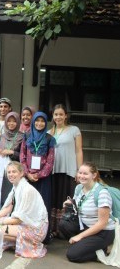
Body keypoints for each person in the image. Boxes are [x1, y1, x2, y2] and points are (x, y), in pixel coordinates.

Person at [0, 161, 48, 258]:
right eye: (9, 172)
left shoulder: (26, 190)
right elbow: (9, 206)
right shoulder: (16, 187)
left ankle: (28, 245)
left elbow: (18, 219)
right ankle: (17, 244)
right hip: (26, 224)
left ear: (21, 173)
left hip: (36, 229)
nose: (11, 174)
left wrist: (0, 223)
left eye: (14, 172)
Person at [59, 162, 115, 263]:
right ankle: (83, 245)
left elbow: (102, 223)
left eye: (85, 174)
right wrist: (70, 202)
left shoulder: (102, 193)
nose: (81, 176)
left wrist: (80, 236)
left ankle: (101, 250)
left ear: (93, 175)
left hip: (102, 232)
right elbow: (77, 202)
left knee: (72, 255)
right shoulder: (79, 188)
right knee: (63, 224)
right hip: (85, 225)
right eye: (80, 173)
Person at [48, 104, 83, 237]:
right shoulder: (49, 133)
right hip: (53, 171)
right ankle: (53, 229)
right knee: (54, 200)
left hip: (69, 170)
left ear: (66, 115)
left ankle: (66, 230)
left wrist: (79, 171)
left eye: (61, 114)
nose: (58, 117)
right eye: (56, 114)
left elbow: (79, 150)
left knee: (67, 200)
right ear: (53, 116)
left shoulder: (74, 130)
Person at [20, 111, 55, 240]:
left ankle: (42, 236)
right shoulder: (27, 135)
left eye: (42, 121)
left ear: (45, 123)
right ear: (33, 122)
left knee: (42, 206)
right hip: (28, 178)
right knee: (27, 205)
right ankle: (25, 235)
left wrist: (39, 175)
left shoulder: (49, 139)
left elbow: (50, 161)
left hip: (43, 179)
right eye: (37, 121)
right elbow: (22, 156)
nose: (39, 124)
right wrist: (27, 173)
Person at [0, 112, 24, 207]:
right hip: (3, 171)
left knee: (14, 196)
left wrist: (12, 152)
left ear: (18, 123)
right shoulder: (2, 137)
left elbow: (24, 156)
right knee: (3, 195)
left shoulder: (22, 137)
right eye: (9, 121)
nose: (11, 124)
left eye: (14, 121)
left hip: (16, 171)